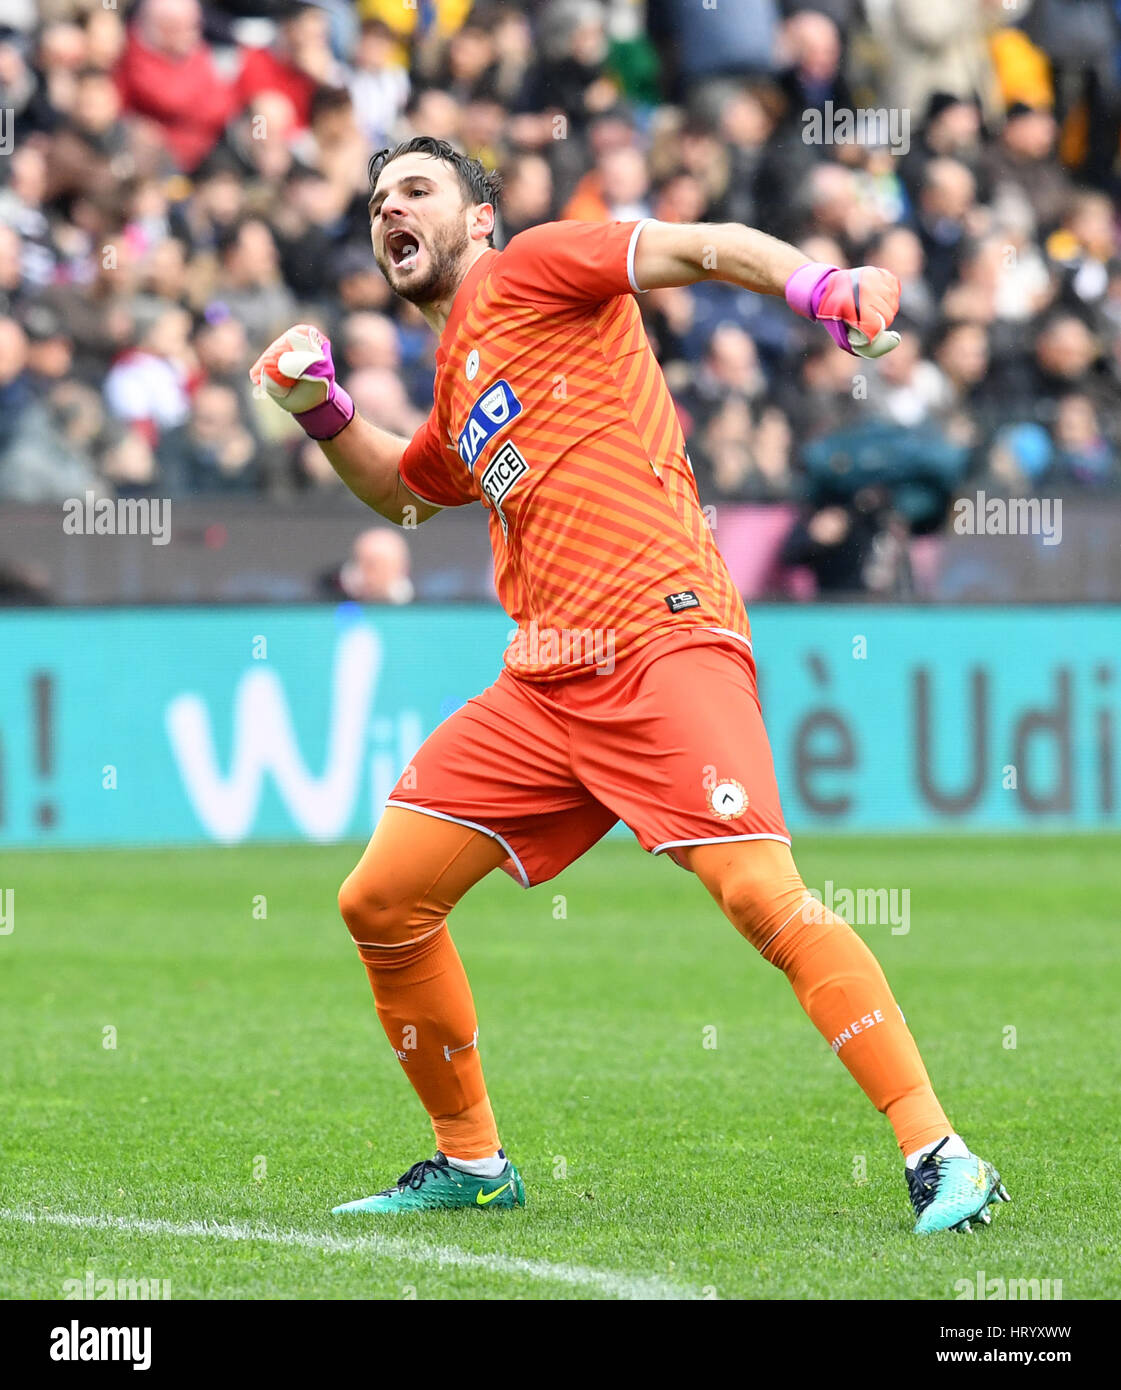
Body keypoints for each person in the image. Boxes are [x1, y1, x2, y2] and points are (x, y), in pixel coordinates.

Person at [250, 136, 1008, 1234]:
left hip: (659, 638)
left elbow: (698, 248)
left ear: (479, 220)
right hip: (544, 682)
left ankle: (940, 1152)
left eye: (415, 189)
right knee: (380, 900)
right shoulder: (461, 365)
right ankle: (470, 1162)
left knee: (760, 897)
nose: (388, 209)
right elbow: (409, 495)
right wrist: (319, 409)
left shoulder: (535, 269)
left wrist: (819, 284)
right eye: (375, 199)